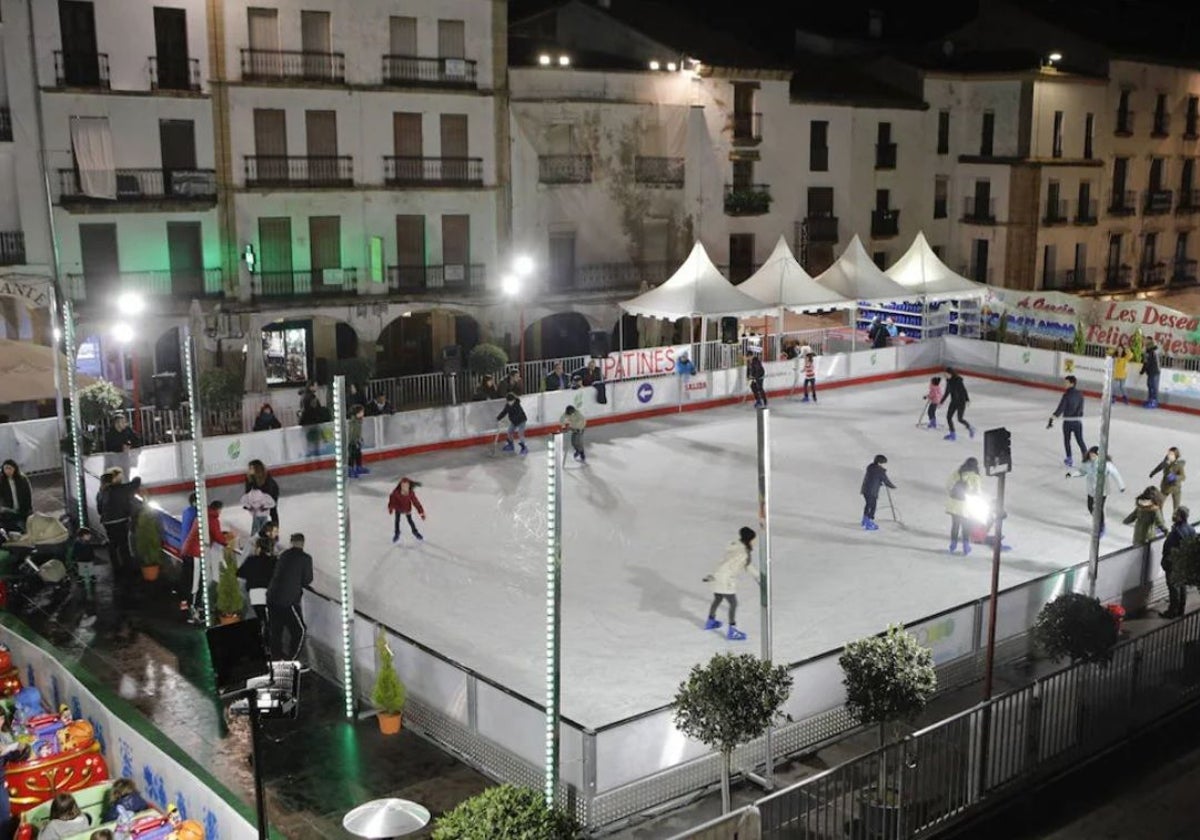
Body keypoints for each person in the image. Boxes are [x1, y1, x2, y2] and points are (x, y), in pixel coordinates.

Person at [701, 527, 759, 641]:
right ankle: (732, 630)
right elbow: (745, 565)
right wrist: (758, 577)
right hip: (725, 580)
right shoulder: (742, 553)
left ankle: (710, 621)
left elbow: (724, 562)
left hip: (718, 577)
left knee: (717, 598)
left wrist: (713, 575)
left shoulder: (735, 546)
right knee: (733, 604)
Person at [267, 533, 313, 660]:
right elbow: (307, 580)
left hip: (272, 598)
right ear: (302, 543)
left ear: (291, 542)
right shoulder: (305, 558)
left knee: (276, 631)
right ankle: (291, 662)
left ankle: (276, 659)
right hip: (288, 601)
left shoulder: (283, 555)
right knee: (300, 630)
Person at [181, 500, 227, 623]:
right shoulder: (212, 519)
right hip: (195, 554)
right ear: (218, 509)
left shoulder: (201, 515)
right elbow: (218, 537)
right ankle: (193, 613)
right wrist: (227, 542)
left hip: (188, 551)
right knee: (195, 584)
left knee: (193, 581)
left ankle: (195, 608)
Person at [1066, 447, 1126, 536]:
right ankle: (1098, 520)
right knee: (1090, 507)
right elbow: (1082, 472)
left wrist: (1121, 486)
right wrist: (1072, 474)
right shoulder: (1087, 464)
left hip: (1102, 491)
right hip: (1091, 490)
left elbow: (1115, 474)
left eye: (1094, 455)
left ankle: (1101, 526)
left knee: (1099, 509)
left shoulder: (1106, 465)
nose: (1092, 457)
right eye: (1091, 455)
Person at [100, 469, 142, 576]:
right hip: (120, 520)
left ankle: (116, 567)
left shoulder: (101, 492)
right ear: (113, 480)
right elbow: (136, 482)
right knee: (123, 544)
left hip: (107, 522)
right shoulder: (120, 489)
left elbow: (99, 509)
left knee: (113, 544)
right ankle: (128, 568)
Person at [1161, 506, 1195, 618]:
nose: (1173, 515)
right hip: (1183, 563)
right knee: (1182, 586)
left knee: (1174, 588)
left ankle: (1172, 611)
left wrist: (1166, 561)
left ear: (1180, 517)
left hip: (1174, 563)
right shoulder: (1191, 529)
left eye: (1176, 514)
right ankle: (1181, 609)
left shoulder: (1177, 532)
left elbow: (1170, 548)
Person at [945, 457, 984, 555]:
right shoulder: (975, 477)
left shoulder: (957, 473)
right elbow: (978, 492)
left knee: (955, 525)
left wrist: (951, 493)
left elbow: (948, 484)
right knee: (966, 526)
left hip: (954, 504)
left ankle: (952, 546)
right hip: (966, 506)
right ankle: (966, 547)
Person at [1048, 375, 1087, 467]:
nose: (1064, 384)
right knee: (1080, 440)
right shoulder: (1080, 394)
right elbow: (1081, 408)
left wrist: (1052, 418)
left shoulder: (1066, 395)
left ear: (1072, 383)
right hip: (1077, 422)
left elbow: (1060, 409)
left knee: (1067, 440)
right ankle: (1086, 459)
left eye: (1066, 382)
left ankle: (1069, 459)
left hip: (1068, 422)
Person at [238, 535, 277, 626]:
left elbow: (240, 573)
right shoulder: (275, 562)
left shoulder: (252, 560)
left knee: (252, 615)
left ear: (259, 548)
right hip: (269, 595)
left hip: (254, 593)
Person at [860, 455, 896, 531]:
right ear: (880, 462)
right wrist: (892, 486)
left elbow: (873, 478)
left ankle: (865, 520)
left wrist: (879, 482)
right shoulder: (880, 471)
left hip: (866, 489)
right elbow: (886, 480)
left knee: (868, 504)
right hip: (872, 491)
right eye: (883, 463)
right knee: (873, 506)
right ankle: (869, 522)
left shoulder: (870, 467)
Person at [939, 367, 974, 441]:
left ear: (950, 373)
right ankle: (953, 434)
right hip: (953, 402)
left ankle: (970, 427)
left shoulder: (958, 380)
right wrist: (941, 402)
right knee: (948, 417)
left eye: (946, 374)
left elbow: (963, 390)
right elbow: (947, 392)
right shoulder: (948, 381)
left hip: (961, 402)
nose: (945, 375)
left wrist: (967, 399)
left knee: (960, 419)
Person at [1150, 446, 1186, 513]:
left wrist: (1175, 477)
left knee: (1176, 507)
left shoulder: (1179, 465)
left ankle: (1177, 520)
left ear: (1176, 455)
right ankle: (1160, 519)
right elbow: (1159, 467)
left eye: (1172, 454)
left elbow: (1183, 477)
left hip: (1176, 488)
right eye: (1169, 453)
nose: (1169, 455)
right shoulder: (1165, 462)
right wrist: (1153, 473)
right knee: (1159, 503)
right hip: (1165, 487)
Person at [245, 460, 280, 528]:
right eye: (249, 468)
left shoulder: (266, 477)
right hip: (258, 496)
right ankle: (262, 531)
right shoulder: (248, 478)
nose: (249, 470)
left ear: (257, 469)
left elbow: (269, 492)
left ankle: (275, 532)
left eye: (251, 468)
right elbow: (248, 491)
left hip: (272, 493)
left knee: (272, 511)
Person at [388, 477, 425, 542]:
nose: (404, 488)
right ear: (401, 485)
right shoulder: (396, 492)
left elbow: (416, 502)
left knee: (410, 521)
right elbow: (392, 500)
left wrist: (421, 512)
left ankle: (415, 532)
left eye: (406, 486)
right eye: (403, 486)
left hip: (407, 508)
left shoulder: (411, 493)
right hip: (398, 508)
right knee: (397, 521)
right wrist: (391, 508)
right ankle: (397, 533)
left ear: (409, 485)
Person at [0, 459, 33, 532]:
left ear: (14, 468)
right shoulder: (1, 481)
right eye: (6, 468)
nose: (8, 471)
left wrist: (28, 508)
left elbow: (28, 495)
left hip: (22, 510)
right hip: (8, 511)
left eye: (10, 468)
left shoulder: (22, 479)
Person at [72, 527, 97, 602]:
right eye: (88, 535)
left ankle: (90, 577)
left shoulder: (86, 543)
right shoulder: (78, 544)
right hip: (82, 559)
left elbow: (91, 550)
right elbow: (75, 552)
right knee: (82, 569)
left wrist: (92, 557)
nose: (90, 536)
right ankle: (82, 578)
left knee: (89, 568)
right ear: (82, 536)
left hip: (87, 559)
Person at [347, 403, 368, 479]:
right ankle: (350, 470)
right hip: (352, 442)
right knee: (352, 456)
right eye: (362, 412)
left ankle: (358, 467)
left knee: (358, 454)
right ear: (357, 413)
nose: (363, 413)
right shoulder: (353, 422)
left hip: (357, 441)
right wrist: (354, 441)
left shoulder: (359, 421)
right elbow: (352, 433)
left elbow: (358, 432)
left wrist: (360, 438)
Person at [1141, 339, 1161, 408]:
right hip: (1151, 372)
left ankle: (1154, 401)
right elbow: (1146, 362)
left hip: (1154, 372)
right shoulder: (1150, 352)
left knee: (1153, 387)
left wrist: (1142, 371)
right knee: (1150, 386)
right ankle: (1150, 400)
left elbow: (1147, 363)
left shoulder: (1152, 352)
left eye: (1146, 344)